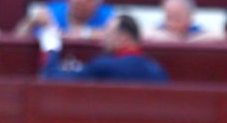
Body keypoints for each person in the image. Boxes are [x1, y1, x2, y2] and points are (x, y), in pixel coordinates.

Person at [39, 13, 168, 82]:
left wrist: (51, 48)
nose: (104, 38)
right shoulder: (157, 71)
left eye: (108, 33)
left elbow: (53, 78)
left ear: (124, 37)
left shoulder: (104, 66)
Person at [144, 0, 227, 43]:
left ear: (189, 17)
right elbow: (144, 34)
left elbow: (220, 35)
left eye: (177, 18)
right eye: (169, 18)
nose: (172, 23)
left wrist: (188, 41)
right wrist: (170, 39)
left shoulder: (196, 30)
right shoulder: (160, 28)